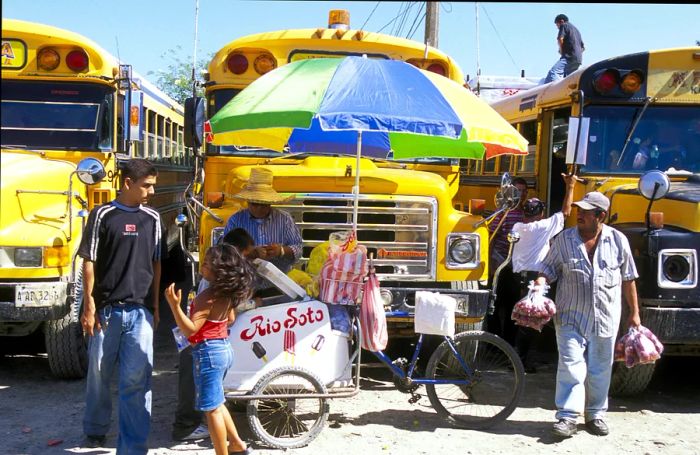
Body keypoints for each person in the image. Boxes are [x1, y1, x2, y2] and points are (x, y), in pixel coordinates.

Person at [536, 191, 641, 438]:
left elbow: (629, 279)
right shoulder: (564, 240)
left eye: (586, 211)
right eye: (579, 210)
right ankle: (567, 417)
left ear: (601, 216)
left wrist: (634, 313)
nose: (579, 214)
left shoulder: (618, 241)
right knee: (571, 365)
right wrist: (541, 282)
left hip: (606, 315)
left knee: (600, 367)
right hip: (570, 314)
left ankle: (595, 414)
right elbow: (548, 268)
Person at [78, 159, 164, 453]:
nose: (152, 191)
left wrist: (154, 306)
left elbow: (156, 263)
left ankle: (133, 446)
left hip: (140, 312)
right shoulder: (102, 214)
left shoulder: (153, 218)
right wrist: (88, 305)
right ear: (128, 183)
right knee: (99, 375)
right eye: (147, 185)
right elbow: (89, 261)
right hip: (106, 311)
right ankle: (95, 429)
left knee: (136, 381)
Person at [165, 244, 255, 455]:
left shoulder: (207, 296)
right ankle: (237, 444)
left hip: (208, 353)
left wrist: (175, 306)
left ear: (217, 270)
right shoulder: (227, 294)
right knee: (217, 402)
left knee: (211, 409)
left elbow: (190, 330)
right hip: (223, 349)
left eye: (206, 263)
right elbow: (230, 319)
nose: (202, 265)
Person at [509, 173, 580, 372]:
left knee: (525, 319)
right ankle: (522, 362)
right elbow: (566, 212)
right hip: (535, 279)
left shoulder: (518, 226)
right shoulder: (543, 226)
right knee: (533, 320)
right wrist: (570, 187)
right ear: (540, 213)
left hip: (520, 277)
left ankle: (520, 359)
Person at [223, 167, 302, 275]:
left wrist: (281, 251)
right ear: (247, 202)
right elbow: (226, 252)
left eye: (263, 204)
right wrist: (251, 253)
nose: (259, 208)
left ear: (270, 203)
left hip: (278, 284)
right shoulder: (235, 220)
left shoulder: (285, 219)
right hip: (245, 283)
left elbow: (298, 248)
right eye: (254, 204)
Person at [487, 176, 528, 340]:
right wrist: (490, 265)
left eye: (524, 192)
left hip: (518, 265)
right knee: (496, 304)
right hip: (502, 263)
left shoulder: (528, 212)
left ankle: (509, 342)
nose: (522, 195)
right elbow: (491, 238)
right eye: (518, 191)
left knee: (512, 305)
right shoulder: (503, 214)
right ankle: (494, 341)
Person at [544, 14, 585, 83]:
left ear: (561, 21)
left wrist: (561, 51)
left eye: (557, 25)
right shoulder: (576, 30)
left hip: (568, 57)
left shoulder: (564, 25)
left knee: (553, 72)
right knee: (569, 80)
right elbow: (583, 48)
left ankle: (553, 92)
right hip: (578, 59)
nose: (557, 27)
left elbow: (560, 39)